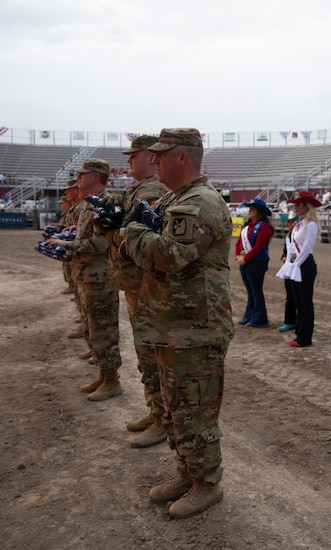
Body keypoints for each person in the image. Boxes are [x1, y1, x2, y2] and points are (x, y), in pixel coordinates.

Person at [123, 128, 233, 519]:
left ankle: (208, 484)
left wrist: (132, 233)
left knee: (195, 411)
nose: (154, 161)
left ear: (181, 158)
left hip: (195, 328)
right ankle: (188, 473)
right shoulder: (177, 199)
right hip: (175, 324)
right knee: (176, 408)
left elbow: (169, 255)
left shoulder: (199, 203)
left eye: (161, 155)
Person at [47, 158, 123, 402]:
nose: (78, 179)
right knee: (92, 328)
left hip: (100, 277)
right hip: (87, 275)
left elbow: (101, 243)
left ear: (96, 176)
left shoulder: (105, 203)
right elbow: (85, 237)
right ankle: (103, 375)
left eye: (83, 174)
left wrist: (68, 244)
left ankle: (112, 381)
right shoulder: (88, 204)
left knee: (103, 330)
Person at [111, 135, 169, 448]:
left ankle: (162, 418)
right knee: (143, 351)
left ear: (149, 156)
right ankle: (154, 409)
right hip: (135, 281)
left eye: (135, 156)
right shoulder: (138, 189)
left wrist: (122, 228)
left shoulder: (152, 190)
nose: (129, 161)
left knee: (150, 351)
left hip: (146, 283)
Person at [276, 191, 322, 348]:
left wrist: (296, 264)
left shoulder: (311, 225)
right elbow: (290, 246)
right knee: (298, 302)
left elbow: (307, 248)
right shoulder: (297, 225)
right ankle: (299, 332)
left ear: (306, 207)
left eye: (298, 205)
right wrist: (289, 263)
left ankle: (305, 337)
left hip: (305, 265)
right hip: (295, 265)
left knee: (305, 302)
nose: (295, 208)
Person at [235, 197, 273, 328]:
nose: (249, 211)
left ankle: (259, 318)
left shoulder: (264, 228)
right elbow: (239, 243)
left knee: (256, 291)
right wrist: (238, 255)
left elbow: (258, 247)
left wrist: (244, 258)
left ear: (259, 212)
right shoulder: (246, 227)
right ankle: (250, 315)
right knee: (250, 291)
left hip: (257, 263)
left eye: (252, 209)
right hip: (246, 262)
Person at [277, 211, 299, 332]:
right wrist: (284, 257)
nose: (289, 224)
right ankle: (290, 320)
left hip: (296, 267)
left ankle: (296, 320)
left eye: (291, 222)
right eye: (288, 222)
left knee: (296, 296)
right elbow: (285, 251)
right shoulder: (288, 236)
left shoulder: (296, 235)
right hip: (289, 267)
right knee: (290, 296)